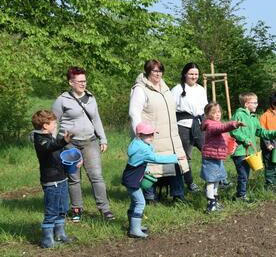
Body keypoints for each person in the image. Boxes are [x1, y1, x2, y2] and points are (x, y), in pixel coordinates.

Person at [52, 66, 113, 222]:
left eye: (84, 81)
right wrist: (53, 145)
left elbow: (96, 119)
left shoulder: (91, 97)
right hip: (70, 144)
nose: (83, 84)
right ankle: (77, 209)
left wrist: (103, 138)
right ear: (71, 82)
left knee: (97, 176)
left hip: (90, 141)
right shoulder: (62, 100)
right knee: (74, 178)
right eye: (79, 81)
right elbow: (53, 123)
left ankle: (105, 210)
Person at [129, 59, 189, 204]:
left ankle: (178, 196)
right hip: (151, 135)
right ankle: (150, 197)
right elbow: (134, 112)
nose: (158, 74)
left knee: (175, 163)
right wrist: (140, 134)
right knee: (150, 166)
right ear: (148, 72)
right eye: (154, 71)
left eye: (160, 70)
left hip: (170, 135)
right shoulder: (140, 89)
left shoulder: (165, 87)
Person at [121, 123, 182, 238]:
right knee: (140, 203)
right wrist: (175, 158)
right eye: (148, 135)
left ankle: (134, 226)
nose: (151, 137)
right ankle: (134, 230)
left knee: (135, 202)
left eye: (152, 134)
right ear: (139, 135)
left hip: (130, 179)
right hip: (132, 181)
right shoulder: (143, 149)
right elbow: (156, 158)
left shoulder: (137, 143)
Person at [31, 110, 75, 248]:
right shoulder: (40, 140)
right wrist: (64, 141)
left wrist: (72, 159)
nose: (56, 125)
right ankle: (47, 240)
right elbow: (50, 148)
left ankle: (60, 234)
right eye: (54, 123)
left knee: (62, 208)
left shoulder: (50, 136)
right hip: (51, 181)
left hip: (61, 178)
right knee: (52, 210)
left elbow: (58, 153)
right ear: (45, 125)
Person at [229, 92, 276, 202]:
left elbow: (260, 131)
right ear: (246, 104)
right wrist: (245, 139)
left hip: (249, 152)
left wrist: (273, 133)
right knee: (243, 175)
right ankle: (241, 196)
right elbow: (233, 130)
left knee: (245, 175)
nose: (257, 105)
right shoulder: (239, 115)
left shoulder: (253, 117)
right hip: (239, 151)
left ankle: (239, 195)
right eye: (254, 102)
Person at [171, 63, 208, 193]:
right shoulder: (177, 89)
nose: (194, 76)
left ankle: (215, 178)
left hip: (199, 123)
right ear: (185, 74)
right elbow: (171, 109)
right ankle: (189, 182)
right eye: (191, 74)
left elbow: (205, 108)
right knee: (184, 156)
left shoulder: (201, 89)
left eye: (196, 74)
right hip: (183, 125)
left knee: (208, 151)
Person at [200, 102, 244, 213]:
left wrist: (232, 143)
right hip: (210, 157)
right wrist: (234, 124)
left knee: (217, 179)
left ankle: (215, 201)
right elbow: (221, 128)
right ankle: (211, 204)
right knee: (211, 180)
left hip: (217, 157)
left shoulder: (217, 123)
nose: (217, 114)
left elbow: (225, 136)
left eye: (219, 112)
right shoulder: (211, 125)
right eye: (214, 112)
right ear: (207, 114)